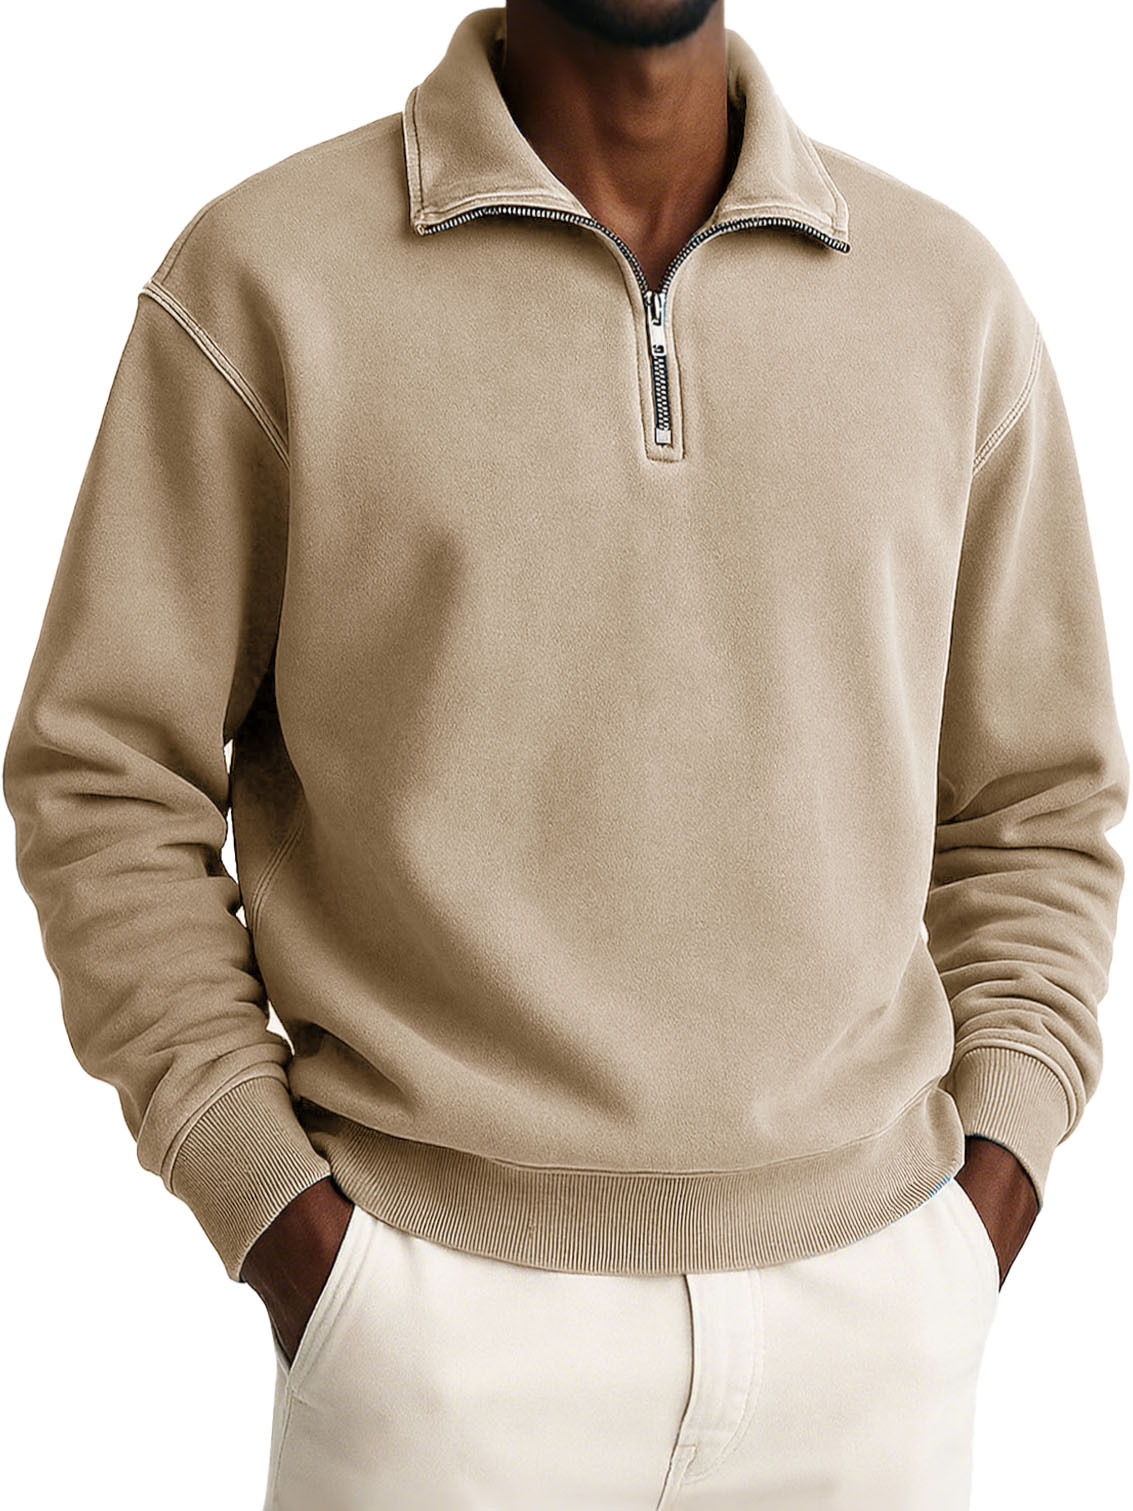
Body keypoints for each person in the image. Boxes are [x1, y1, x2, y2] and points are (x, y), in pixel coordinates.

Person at [4, 2, 1127, 1507]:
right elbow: (102, 774)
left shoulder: (947, 302)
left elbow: (1037, 797)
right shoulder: (265, 281)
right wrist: (277, 1216)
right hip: (433, 1335)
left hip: (873, 1325)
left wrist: (995, 1177)